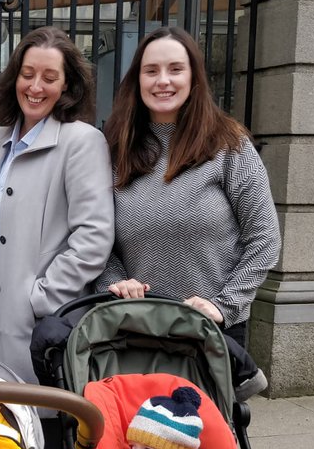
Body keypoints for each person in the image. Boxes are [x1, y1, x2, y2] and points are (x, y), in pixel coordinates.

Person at [98, 27, 280, 380]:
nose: (162, 81)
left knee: (207, 432)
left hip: (212, 331)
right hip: (137, 329)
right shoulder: (115, 149)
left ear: (194, 77)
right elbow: (96, 235)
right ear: (137, 80)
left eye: (175, 69)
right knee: (140, 433)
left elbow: (264, 239)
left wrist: (223, 305)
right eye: (151, 71)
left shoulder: (229, 145)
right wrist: (116, 280)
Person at [0, 26, 114, 386]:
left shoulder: (82, 142)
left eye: (49, 77)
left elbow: (93, 237)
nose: (35, 87)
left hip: (38, 329)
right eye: (27, 74)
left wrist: (41, 299)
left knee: (41, 431)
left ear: (66, 85)